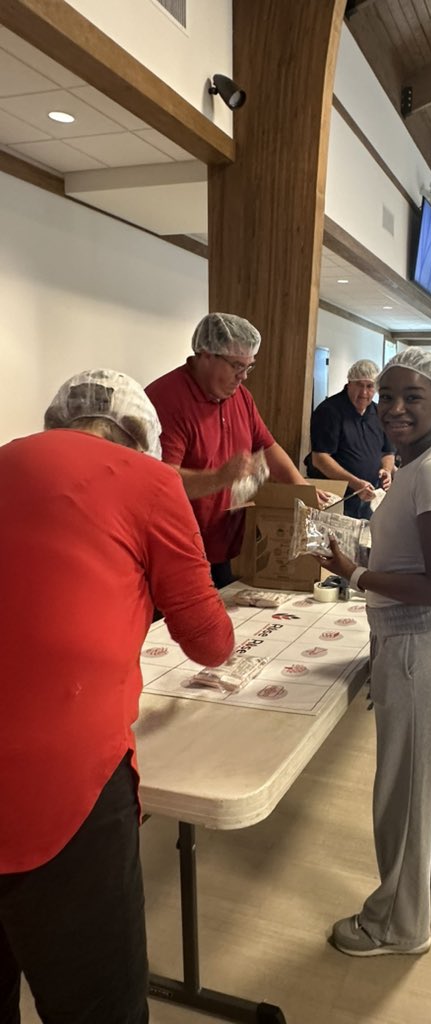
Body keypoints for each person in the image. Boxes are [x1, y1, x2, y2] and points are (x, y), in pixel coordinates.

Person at [0, 369, 234, 1023]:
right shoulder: (151, 481)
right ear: (142, 438)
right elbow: (210, 642)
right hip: (61, 786)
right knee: (96, 1006)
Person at [316, 347, 431, 957]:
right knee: (427, 770)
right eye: (386, 396)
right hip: (409, 640)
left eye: (412, 398)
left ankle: (399, 923)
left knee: (402, 793)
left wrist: (357, 578)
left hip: (419, 642)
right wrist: (353, 559)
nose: (393, 408)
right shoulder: (412, 467)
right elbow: (404, 558)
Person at [146, 312, 316, 588]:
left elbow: (268, 448)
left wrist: (303, 492)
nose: (243, 376)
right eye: (237, 366)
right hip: (176, 550)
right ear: (205, 355)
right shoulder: (167, 400)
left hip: (223, 545)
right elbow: (160, 482)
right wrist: (220, 477)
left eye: (249, 366)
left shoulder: (240, 397)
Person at [305, 359, 395, 518]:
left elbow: (387, 452)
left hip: (369, 498)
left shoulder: (379, 413)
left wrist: (386, 470)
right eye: (360, 385)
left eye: (370, 386)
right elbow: (319, 459)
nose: (364, 392)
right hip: (337, 497)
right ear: (349, 383)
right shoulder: (329, 411)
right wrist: (355, 484)